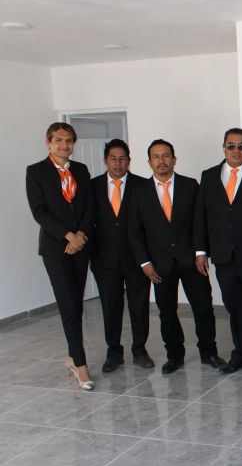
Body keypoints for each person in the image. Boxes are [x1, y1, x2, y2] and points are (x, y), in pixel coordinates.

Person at [128, 139, 226, 374]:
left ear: (174, 159)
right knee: (167, 312)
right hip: (159, 264)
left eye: (166, 156)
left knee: (203, 308)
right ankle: (174, 356)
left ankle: (209, 352)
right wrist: (145, 262)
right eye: (156, 156)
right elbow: (134, 231)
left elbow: (200, 221)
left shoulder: (190, 185)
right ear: (149, 162)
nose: (161, 161)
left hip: (192, 260)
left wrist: (201, 252)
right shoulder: (139, 192)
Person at [194, 128, 242, 379]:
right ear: (223, 147)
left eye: (241, 146)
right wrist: (200, 251)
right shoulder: (209, 176)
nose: (236, 150)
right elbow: (201, 216)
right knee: (234, 307)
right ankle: (240, 354)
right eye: (231, 146)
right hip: (223, 256)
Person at [26, 122, 95, 390]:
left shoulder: (81, 170)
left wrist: (81, 236)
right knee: (68, 304)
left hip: (80, 246)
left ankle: (72, 356)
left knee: (76, 304)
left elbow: (89, 206)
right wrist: (68, 236)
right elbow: (39, 211)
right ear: (48, 142)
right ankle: (80, 364)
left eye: (68, 141)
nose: (64, 145)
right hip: (56, 248)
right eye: (58, 140)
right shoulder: (36, 172)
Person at [91, 139, 153, 372]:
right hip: (104, 259)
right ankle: (114, 352)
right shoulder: (93, 186)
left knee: (139, 305)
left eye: (122, 159)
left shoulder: (143, 185)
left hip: (137, 259)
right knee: (110, 306)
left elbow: (150, 223)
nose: (118, 163)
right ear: (105, 160)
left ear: (129, 160)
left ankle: (140, 350)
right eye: (113, 159)